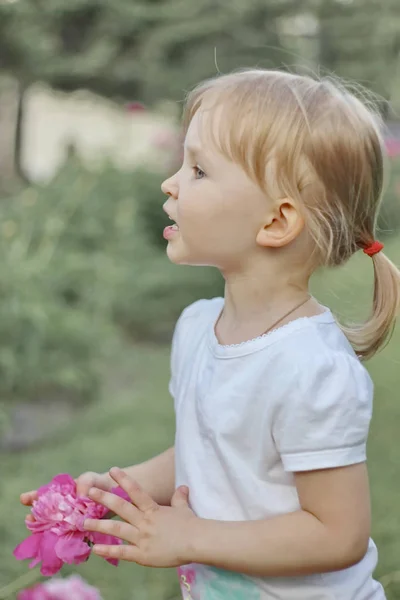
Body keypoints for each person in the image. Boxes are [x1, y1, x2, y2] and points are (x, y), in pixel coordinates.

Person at [21, 69, 400, 599]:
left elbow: (338, 535)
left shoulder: (310, 368)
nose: (170, 182)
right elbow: (206, 451)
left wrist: (193, 536)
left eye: (198, 169)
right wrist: (119, 487)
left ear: (274, 223)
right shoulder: (199, 326)